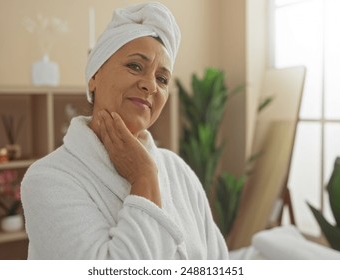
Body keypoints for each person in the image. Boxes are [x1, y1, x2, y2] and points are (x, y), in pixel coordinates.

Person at [21, 2, 229, 260]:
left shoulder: (179, 172)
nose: (150, 85)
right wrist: (144, 178)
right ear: (94, 76)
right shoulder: (48, 179)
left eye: (162, 79)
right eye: (135, 66)